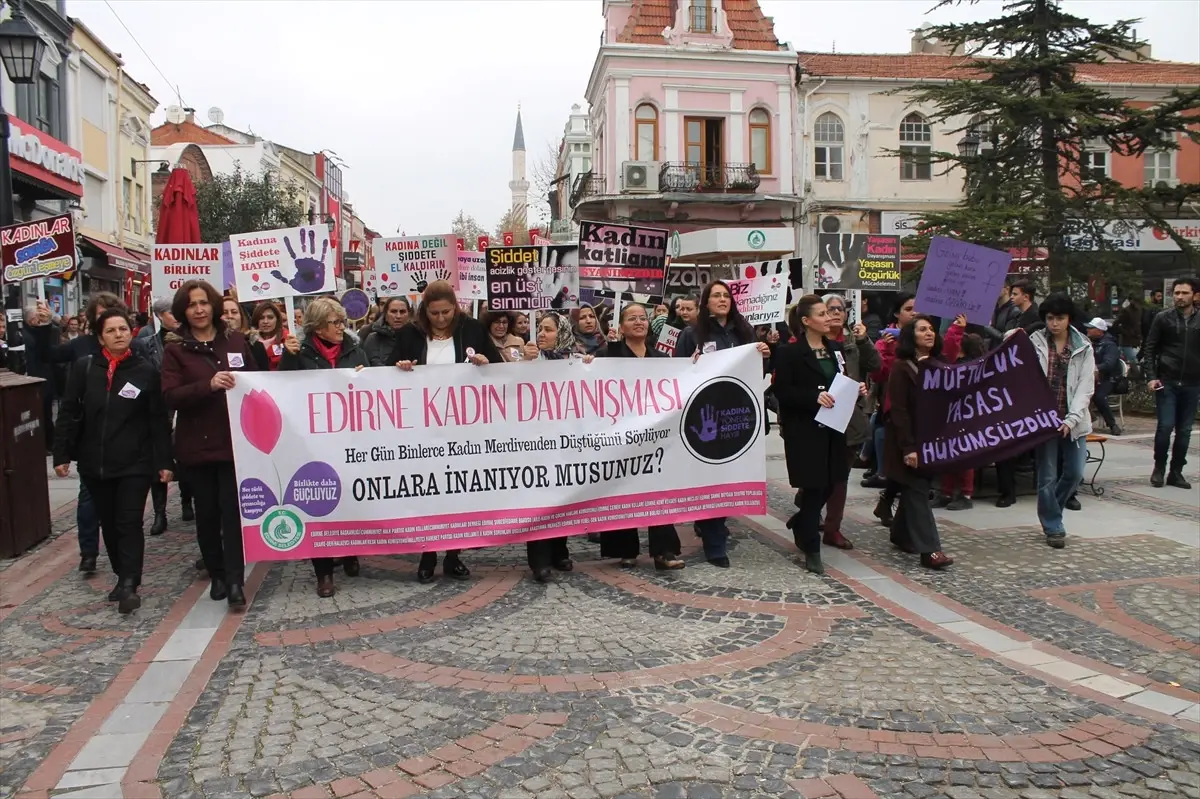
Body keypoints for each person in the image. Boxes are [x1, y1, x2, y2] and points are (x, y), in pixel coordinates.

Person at [52, 309, 172, 614]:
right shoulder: (85, 368)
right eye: (111, 330)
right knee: (109, 522)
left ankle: (131, 582)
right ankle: (121, 574)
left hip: (134, 462)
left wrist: (164, 461)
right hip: (95, 463)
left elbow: (158, 421)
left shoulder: (145, 371)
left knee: (128, 521)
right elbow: (68, 411)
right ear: (100, 336)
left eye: (123, 329)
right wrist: (62, 453)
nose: (119, 334)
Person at [391, 281, 502, 583]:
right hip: (423, 429)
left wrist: (484, 363)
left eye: (446, 312)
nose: (441, 319)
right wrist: (399, 367)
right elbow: (388, 372)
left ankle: (453, 555)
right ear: (424, 312)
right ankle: (427, 554)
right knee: (428, 491)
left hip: (464, 429)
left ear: (456, 307)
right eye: (434, 313)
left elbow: (499, 368)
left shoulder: (473, 330)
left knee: (457, 491)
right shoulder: (410, 334)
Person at [161, 280, 259, 610]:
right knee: (207, 514)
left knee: (232, 513)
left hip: (234, 443)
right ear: (183, 311)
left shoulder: (234, 339)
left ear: (213, 305)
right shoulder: (176, 349)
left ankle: (234, 580)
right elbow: (171, 395)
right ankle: (216, 571)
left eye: (203, 302)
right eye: (191, 305)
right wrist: (208, 384)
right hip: (197, 447)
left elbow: (255, 382)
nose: (199, 309)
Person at [674, 280, 772, 567]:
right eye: (715, 295)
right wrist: (691, 364)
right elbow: (678, 372)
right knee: (710, 475)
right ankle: (714, 540)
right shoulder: (692, 334)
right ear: (705, 302)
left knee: (730, 474)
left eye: (726, 295)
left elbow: (756, 373)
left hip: (737, 414)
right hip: (707, 415)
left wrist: (765, 356)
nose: (722, 299)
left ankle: (713, 522)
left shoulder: (744, 332)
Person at [280, 297, 369, 597]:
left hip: (350, 439)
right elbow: (283, 389)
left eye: (343, 321)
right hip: (312, 442)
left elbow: (372, 384)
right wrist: (287, 357)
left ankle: (350, 551)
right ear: (317, 327)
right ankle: (324, 572)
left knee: (350, 498)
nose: (341, 327)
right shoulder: (299, 352)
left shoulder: (355, 349)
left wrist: (364, 376)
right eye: (335, 322)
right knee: (320, 503)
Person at [774, 296, 867, 574]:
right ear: (806, 322)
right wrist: (813, 397)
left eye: (829, 313)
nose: (829, 318)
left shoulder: (835, 349)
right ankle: (812, 548)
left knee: (832, 482)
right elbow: (783, 392)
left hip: (834, 428)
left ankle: (801, 521)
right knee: (814, 487)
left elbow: (841, 382)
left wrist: (856, 388)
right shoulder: (789, 353)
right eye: (822, 314)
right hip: (805, 431)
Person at [596, 304, 684, 571]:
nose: (638, 322)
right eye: (631, 318)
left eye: (642, 318)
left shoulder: (660, 358)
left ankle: (664, 550)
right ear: (620, 327)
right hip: (621, 435)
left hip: (655, 436)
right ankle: (626, 549)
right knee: (623, 488)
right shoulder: (608, 356)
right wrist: (588, 364)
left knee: (658, 490)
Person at [1014, 294, 1095, 546]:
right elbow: (1014, 362)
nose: (1054, 323)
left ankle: (1053, 511)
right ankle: (1053, 525)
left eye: (1059, 318)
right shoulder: (1035, 341)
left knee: (1074, 472)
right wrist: (1012, 336)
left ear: (1069, 318)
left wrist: (1071, 419)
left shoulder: (1083, 346)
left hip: (1074, 420)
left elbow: (1085, 387)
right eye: (1050, 318)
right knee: (1046, 475)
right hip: (1044, 420)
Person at [521, 312, 595, 581]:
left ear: (562, 332)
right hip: (537, 444)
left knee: (561, 498)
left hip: (567, 442)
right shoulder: (530, 361)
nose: (541, 334)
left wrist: (589, 367)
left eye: (548, 330)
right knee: (538, 499)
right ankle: (539, 560)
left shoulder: (576, 361)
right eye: (539, 329)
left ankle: (559, 550)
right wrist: (524, 363)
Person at [884, 315, 955, 570]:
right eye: (922, 329)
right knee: (916, 490)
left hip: (932, 441)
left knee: (917, 489)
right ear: (910, 336)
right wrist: (909, 448)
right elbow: (899, 410)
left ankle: (900, 533)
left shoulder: (941, 364)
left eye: (932, 329)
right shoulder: (902, 368)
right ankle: (931, 550)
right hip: (910, 441)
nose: (929, 333)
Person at [815, 294, 880, 548]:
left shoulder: (853, 340)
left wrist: (864, 340)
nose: (834, 313)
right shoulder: (812, 342)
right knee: (819, 474)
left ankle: (833, 528)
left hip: (849, 418)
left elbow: (875, 364)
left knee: (840, 476)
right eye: (829, 309)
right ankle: (807, 506)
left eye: (840, 309)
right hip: (818, 417)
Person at [1141, 277, 1200, 489]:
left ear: (1195, 295)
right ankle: (1159, 467)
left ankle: (1176, 471)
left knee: (1184, 430)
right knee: (1165, 426)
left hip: (1193, 383)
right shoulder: (1163, 318)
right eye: (1177, 293)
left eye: (1184, 293)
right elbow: (1150, 348)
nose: (1180, 297)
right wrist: (1151, 376)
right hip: (1167, 381)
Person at [1085, 317, 1123, 436]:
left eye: (1091, 328)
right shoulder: (1089, 343)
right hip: (1093, 378)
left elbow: (1109, 364)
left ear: (1100, 331)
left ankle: (1112, 425)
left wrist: (1095, 368)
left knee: (1098, 396)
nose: (1088, 330)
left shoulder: (1109, 345)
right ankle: (1089, 417)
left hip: (1110, 379)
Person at [222, 297, 270, 371]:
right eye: (224, 313)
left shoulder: (256, 346)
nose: (230, 316)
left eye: (234, 312)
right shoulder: (213, 345)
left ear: (241, 316)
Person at [362, 296, 412, 367]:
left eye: (402, 312)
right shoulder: (373, 339)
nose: (398, 316)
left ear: (409, 314)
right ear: (385, 314)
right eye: (393, 311)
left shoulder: (419, 337)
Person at [251, 301, 287, 371]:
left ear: (277, 319)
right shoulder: (248, 341)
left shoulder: (287, 339)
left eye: (270, 317)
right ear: (256, 320)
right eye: (261, 318)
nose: (265, 321)